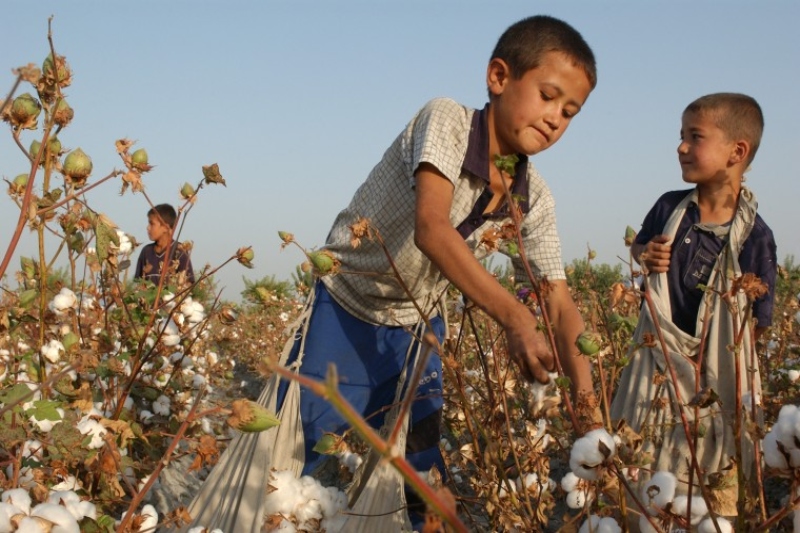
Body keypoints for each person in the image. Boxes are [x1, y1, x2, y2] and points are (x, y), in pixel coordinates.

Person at [277, 14, 597, 527]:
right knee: (296, 461)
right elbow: (431, 228)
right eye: (548, 95)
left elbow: (558, 301)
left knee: (421, 475)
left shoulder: (532, 197)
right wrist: (517, 319)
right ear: (498, 77)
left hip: (416, 325)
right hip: (344, 306)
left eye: (571, 111)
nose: (556, 117)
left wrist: (590, 418)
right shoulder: (448, 120)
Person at [611, 93, 777, 522]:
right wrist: (645, 254)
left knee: (711, 478)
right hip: (658, 362)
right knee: (641, 465)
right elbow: (641, 248)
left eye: (694, 136)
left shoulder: (755, 238)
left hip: (713, 379)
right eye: (681, 136)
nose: (681, 147)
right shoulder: (670, 209)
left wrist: (708, 356)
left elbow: (752, 328)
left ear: (736, 151)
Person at [133, 203, 195, 286]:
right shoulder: (146, 252)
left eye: (152, 224)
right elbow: (139, 283)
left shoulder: (180, 251)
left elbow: (188, 284)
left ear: (165, 227)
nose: (148, 227)